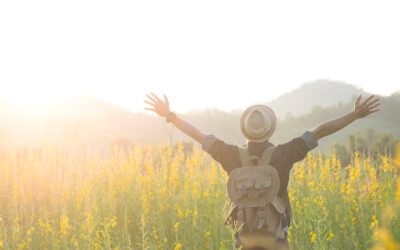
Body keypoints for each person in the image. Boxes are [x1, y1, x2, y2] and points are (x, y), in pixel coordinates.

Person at [144, 93, 380, 250]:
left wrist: (170, 116)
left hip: (243, 242)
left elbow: (198, 134)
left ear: (245, 129)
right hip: (276, 241)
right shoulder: (285, 153)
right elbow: (321, 130)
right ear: (271, 127)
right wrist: (354, 114)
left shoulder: (230, 155)